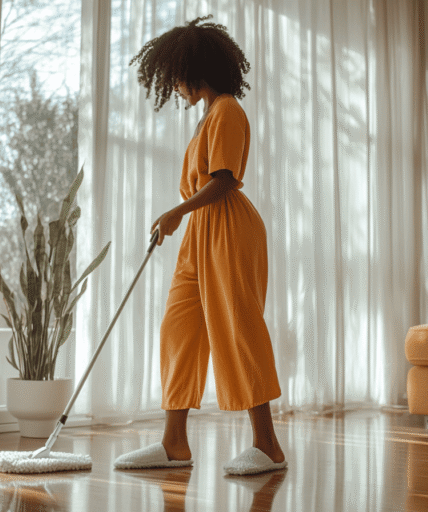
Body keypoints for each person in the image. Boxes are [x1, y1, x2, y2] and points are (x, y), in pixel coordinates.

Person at [114, 15, 287, 476]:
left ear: (195, 68)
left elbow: (225, 180)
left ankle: (268, 446)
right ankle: (174, 444)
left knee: (238, 327)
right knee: (180, 329)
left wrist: (176, 212)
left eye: (176, 77)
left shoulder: (228, 109)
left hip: (228, 228)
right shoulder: (207, 115)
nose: (175, 88)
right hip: (199, 236)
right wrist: (184, 218)